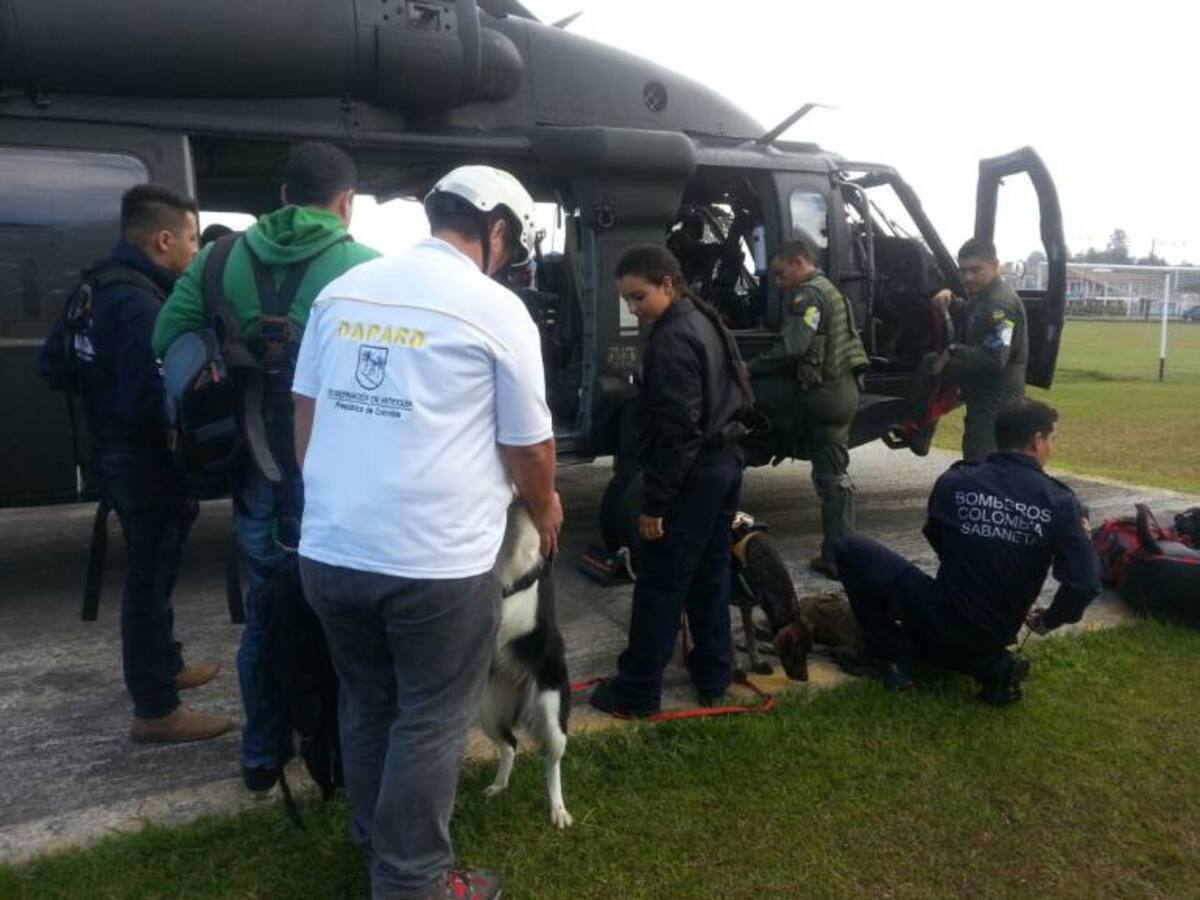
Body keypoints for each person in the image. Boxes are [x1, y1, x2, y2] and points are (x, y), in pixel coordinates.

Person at [292, 165, 559, 900]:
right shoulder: (496, 309)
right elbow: (530, 448)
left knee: (367, 701)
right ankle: (412, 881)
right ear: (496, 230)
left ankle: (376, 842)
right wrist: (546, 507)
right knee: (431, 719)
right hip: (434, 563)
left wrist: (336, 502)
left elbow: (306, 419)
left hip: (330, 551)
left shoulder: (341, 293)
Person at [152, 142, 380, 794]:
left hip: (255, 468)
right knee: (342, 618)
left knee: (266, 614)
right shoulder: (365, 267)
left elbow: (167, 339)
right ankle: (336, 751)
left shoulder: (220, 258)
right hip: (338, 477)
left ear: (282, 196)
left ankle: (261, 755)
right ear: (346, 203)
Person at [39, 184, 232, 743]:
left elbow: (54, 365)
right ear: (163, 240)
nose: (196, 251)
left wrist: (100, 394)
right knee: (149, 580)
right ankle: (155, 709)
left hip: (112, 452)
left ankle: (166, 663)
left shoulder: (95, 285)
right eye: (192, 239)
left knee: (156, 573)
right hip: (145, 461)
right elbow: (150, 399)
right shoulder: (142, 304)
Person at [832, 399, 1101, 705]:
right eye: (1052, 439)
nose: (1051, 446)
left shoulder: (956, 480)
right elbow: (1084, 583)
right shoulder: (1062, 503)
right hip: (997, 631)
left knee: (848, 548)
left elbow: (937, 537)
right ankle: (988, 664)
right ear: (1037, 441)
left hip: (939, 616)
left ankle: (892, 654)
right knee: (964, 629)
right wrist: (1049, 620)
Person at [589, 244, 752, 717]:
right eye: (627, 300)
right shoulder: (703, 320)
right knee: (710, 575)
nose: (633, 309)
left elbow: (679, 432)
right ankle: (714, 675)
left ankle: (637, 691)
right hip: (724, 465)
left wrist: (655, 504)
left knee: (660, 584)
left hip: (694, 475)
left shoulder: (673, 339)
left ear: (667, 284)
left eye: (638, 297)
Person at [746, 237, 869, 578]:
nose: (779, 283)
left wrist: (748, 369)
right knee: (834, 478)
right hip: (843, 393)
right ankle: (838, 557)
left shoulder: (809, 296)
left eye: (781, 274)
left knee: (746, 392)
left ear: (800, 261)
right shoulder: (831, 290)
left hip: (821, 396)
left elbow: (793, 347)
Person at [932, 237, 1028, 462]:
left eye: (975, 270)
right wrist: (952, 300)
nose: (968, 277)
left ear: (995, 265)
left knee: (983, 461)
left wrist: (954, 351)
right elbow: (975, 317)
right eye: (963, 271)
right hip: (982, 396)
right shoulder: (984, 297)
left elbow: (995, 357)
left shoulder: (1001, 305)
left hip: (996, 402)